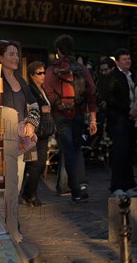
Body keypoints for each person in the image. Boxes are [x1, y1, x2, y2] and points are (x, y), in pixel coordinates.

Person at [43, 34, 97, 204]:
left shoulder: (52, 70)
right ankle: (82, 186)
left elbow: (48, 91)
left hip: (62, 115)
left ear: (58, 50)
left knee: (68, 151)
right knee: (77, 148)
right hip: (79, 113)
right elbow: (92, 91)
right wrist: (93, 117)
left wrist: (58, 105)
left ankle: (75, 191)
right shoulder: (81, 69)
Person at [0, 40, 40, 241]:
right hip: (1, 142)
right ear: (0, 56)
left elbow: (34, 105)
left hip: (21, 143)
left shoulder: (21, 81)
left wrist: (31, 122)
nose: (14, 58)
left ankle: (13, 227)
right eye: (10, 54)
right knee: (3, 186)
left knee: (17, 183)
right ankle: (4, 228)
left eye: (16, 54)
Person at [104, 48, 137, 197]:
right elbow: (110, 98)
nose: (127, 61)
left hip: (131, 121)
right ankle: (116, 186)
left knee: (129, 152)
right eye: (124, 59)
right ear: (117, 61)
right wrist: (126, 110)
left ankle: (129, 184)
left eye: (128, 58)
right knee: (120, 152)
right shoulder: (113, 76)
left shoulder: (132, 76)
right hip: (118, 120)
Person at [21, 61, 54, 207]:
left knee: (38, 163)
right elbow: (29, 107)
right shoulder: (30, 90)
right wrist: (43, 108)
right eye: (39, 73)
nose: (43, 75)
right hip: (36, 131)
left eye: (44, 72)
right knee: (36, 163)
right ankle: (30, 194)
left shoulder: (43, 89)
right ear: (31, 75)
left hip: (44, 131)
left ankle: (29, 193)